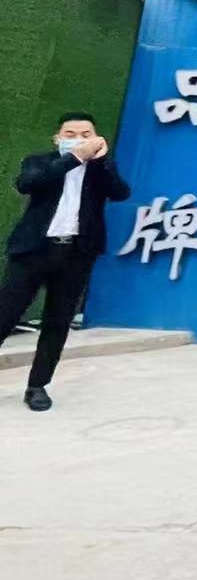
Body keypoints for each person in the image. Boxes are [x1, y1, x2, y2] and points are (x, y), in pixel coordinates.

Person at [0, 112, 130, 411]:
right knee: (6, 313)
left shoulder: (100, 170)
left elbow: (121, 192)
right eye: (70, 134)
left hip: (76, 255)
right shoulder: (39, 162)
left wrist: (99, 161)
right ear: (57, 138)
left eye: (86, 134)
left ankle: (37, 386)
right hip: (33, 251)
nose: (79, 139)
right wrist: (74, 158)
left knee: (57, 322)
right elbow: (28, 183)